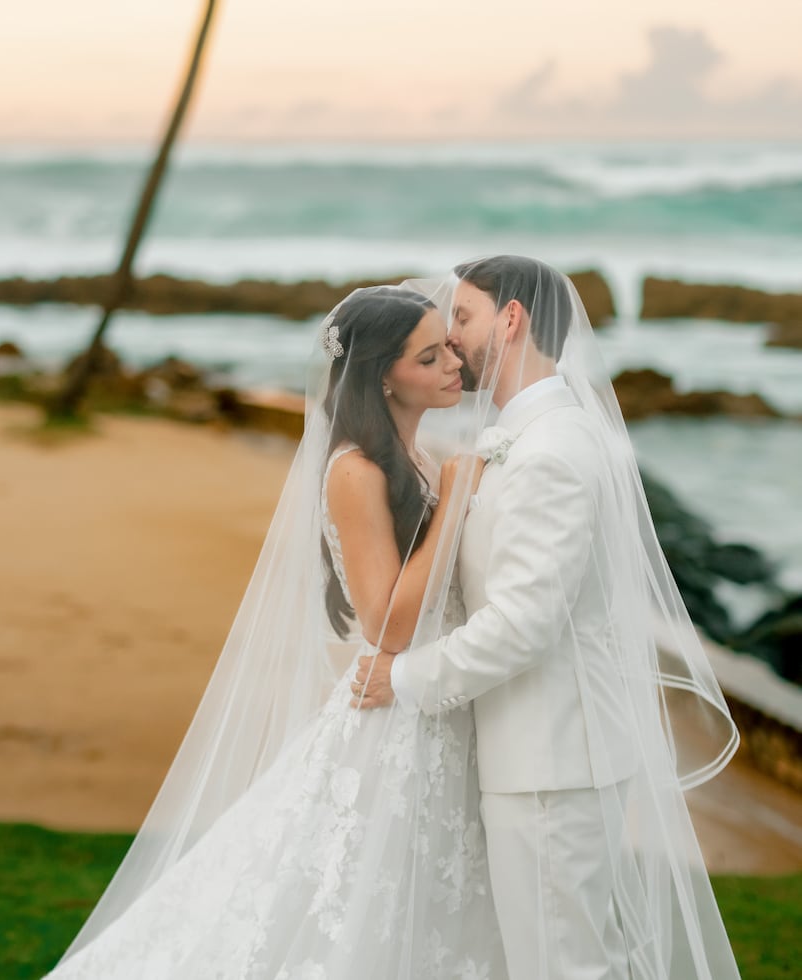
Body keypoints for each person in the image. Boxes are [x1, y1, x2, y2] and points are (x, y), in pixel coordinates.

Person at [43, 286, 506, 978]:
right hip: (394, 728)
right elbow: (385, 623)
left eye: (450, 345)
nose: (455, 363)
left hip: (431, 710)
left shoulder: (410, 458)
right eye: (430, 355)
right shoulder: (356, 470)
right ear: (384, 375)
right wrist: (457, 499)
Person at [353, 256, 742, 979]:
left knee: (563, 966)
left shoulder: (550, 452)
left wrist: (402, 679)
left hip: (552, 760)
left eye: (463, 318)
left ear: (511, 319)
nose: (453, 339)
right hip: (545, 753)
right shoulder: (531, 438)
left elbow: (523, 624)